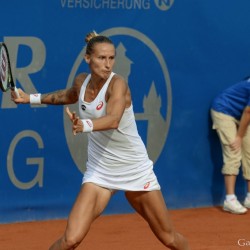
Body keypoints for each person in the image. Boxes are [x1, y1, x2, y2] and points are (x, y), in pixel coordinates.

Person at [12, 31, 190, 250]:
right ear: (88, 59)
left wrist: (83, 125)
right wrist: (29, 97)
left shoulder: (118, 85)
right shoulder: (81, 82)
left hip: (134, 169)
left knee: (169, 238)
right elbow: (66, 96)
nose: (108, 64)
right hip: (100, 172)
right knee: (70, 239)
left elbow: (113, 120)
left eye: (111, 58)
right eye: (101, 58)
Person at [211, 77, 250, 214]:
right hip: (223, 110)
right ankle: (230, 199)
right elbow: (248, 112)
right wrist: (239, 136)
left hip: (241, 113)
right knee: (233, 151)